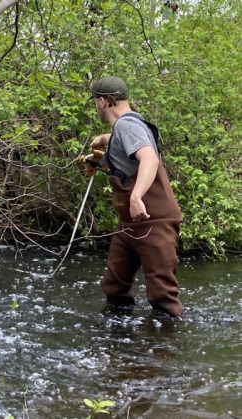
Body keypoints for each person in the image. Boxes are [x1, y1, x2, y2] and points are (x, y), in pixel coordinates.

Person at [89, 75, 183, 319]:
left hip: (154, 221)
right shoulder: (127, 126)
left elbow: (149, 158)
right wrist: (103, 139)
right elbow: (126, 140)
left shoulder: (128, 126)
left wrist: (136, 196)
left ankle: (162, 352)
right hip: (130, 226)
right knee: (114, 287)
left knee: (163, 299)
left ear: (102, 102)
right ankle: (121, 344)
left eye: (94, 103)